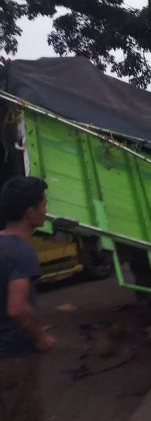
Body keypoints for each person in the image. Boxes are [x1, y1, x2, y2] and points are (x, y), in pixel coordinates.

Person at [0, 176, 56, 421]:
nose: (46, 211)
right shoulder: (22, 251)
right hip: (14, 355)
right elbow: (17, 308)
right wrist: (41, 337)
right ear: (30, 212)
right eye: (43, 205)